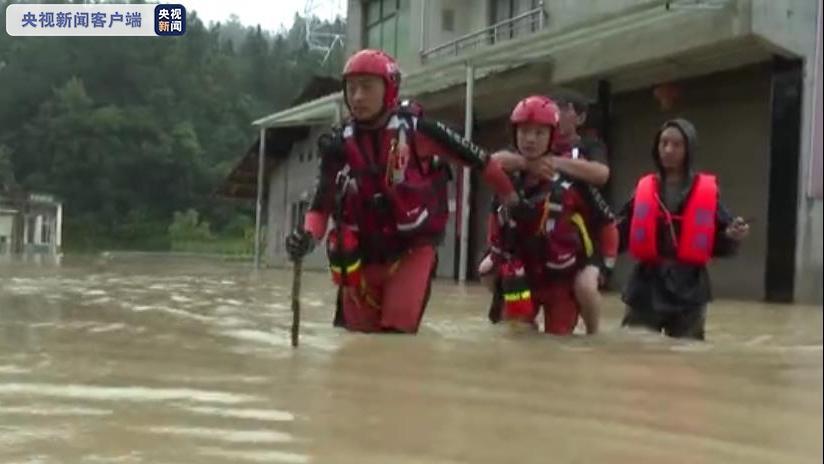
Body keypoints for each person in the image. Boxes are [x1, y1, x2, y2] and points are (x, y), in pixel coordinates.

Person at [284, 49, 522, 334]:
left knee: (396, 336)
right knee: (356, 341)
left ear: (390, 89)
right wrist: (307, 236)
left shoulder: (421, 131)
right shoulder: (337, 145)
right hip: (361, 255)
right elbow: (320, 208)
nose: (357, 97)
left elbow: (481, 162)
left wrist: (511, 197)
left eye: (367, 87)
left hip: (413, 249)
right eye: (351, 88)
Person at [479, 95, 612, 335]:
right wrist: (527, 164)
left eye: (539, 133)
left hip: (560, 277)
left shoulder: (575, 180)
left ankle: (594, 332)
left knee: (559, 338)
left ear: (553, 135)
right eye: (524, 132)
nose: (530, 139)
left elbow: (606, 220)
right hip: (521, 275)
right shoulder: (507, 174)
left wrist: (606, 266)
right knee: (516, 333)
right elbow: (486, 164)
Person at [617, 118, 749, 340]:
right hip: (646, 285)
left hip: (690, 287)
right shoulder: (643, 189)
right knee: (635, 347)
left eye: (677, 145)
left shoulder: (705, 191)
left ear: (689, 150)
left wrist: (732, 234)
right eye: (664, 143)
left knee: (687, 353)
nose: (669, 150)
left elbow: (722, 234)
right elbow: (619, 232)